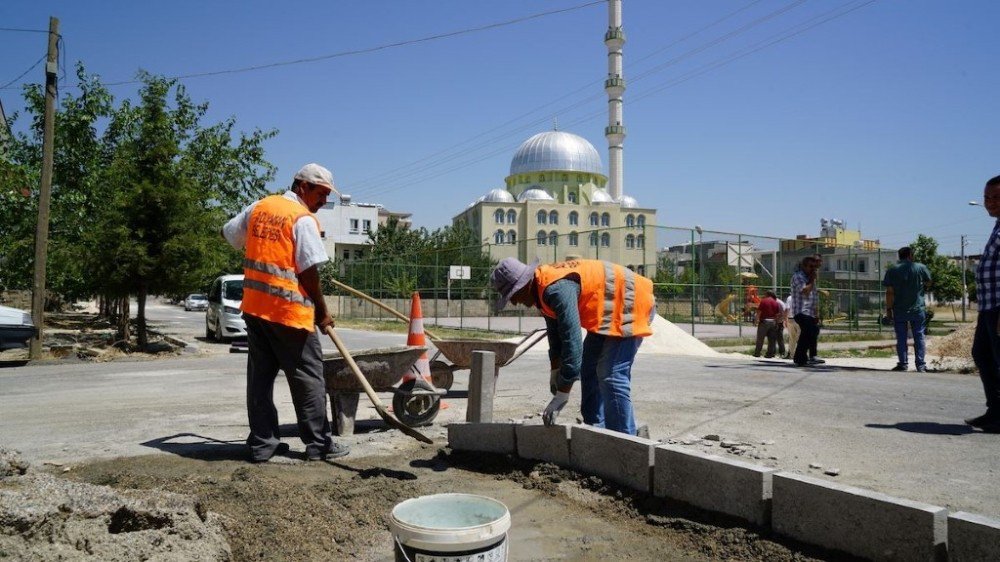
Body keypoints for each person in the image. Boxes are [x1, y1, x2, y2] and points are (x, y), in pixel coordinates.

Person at [222, 163, 349, 462]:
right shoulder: (301, 219)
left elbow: (228, 234)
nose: (323, 202)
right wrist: (322, 311)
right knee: (308, 378)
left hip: (255, 310)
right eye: (321, 194)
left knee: (260, 379)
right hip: (289, 314)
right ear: (302, 187)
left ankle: (262, 444)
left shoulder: (259, 207)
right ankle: (319, 444)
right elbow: (308, 272)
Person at [489, 257, 655, 435]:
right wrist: (555, 370)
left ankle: (626, 444)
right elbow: (556, 335)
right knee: (589, 369)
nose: (514, 302)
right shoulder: (541, 290)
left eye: (513, 294)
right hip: (609, 312)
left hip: (632, 303)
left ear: (523, 284)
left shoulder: (556, 289)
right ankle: (595, 431)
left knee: (611, 375)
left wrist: (562, 393)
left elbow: (572, 343)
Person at [967, 174, 1000, 432]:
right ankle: (995, 411)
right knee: (983, 354)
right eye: (987, 197)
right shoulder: (997, 226)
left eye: (996, 197)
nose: (990, 202)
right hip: (988, 306)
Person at [882, 246, 932, 372]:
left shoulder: (892, 270)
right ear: (910, 255)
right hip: (917, 309)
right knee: (919, 336)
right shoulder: (920, 268)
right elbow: (929, 282)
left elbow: (889, 292)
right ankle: (920, 365)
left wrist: (888, 310)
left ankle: (903, 364)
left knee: (901, 337)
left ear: (899, 256)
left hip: (899, 309)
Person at [791, 256, 821, 367]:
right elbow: (805, 292)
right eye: (810, 266)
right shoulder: (798, 277)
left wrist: (816, 313)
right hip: (801, 311)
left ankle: (806, 356)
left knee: (813, 331)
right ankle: (800, 357)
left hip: (810, 312)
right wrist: (812, 279)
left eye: (814, 267)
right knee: (808, 331)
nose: (812, 269)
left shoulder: (810, 278)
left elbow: (814, 297)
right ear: (803, 266)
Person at [753, 290, 781, 358]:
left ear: (767, 294)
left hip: (764, 322)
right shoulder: (775, 302)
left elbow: (759, 312)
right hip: (773, 322)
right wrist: (777, 323)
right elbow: (777, 315)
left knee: (760, 338)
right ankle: (769, 354)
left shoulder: (764, 301)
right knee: (772, 340)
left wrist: (756, 320)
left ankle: (757, 353)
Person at [784, 294, 799, 360]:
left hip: (791, 319)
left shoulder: (790, 298)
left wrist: (785, 320)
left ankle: (792, 355)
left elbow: (787, 309)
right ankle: (801, 354)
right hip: (801, 320)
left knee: (792, 338)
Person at [774, 292, 788, 358]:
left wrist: (780, 320)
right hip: (777, 321)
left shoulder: (778, 303)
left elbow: (783, 313)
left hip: (779, 322)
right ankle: (777, 352)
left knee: (779, 338)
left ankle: (782, 352)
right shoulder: (778, 302)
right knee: (775, 338)